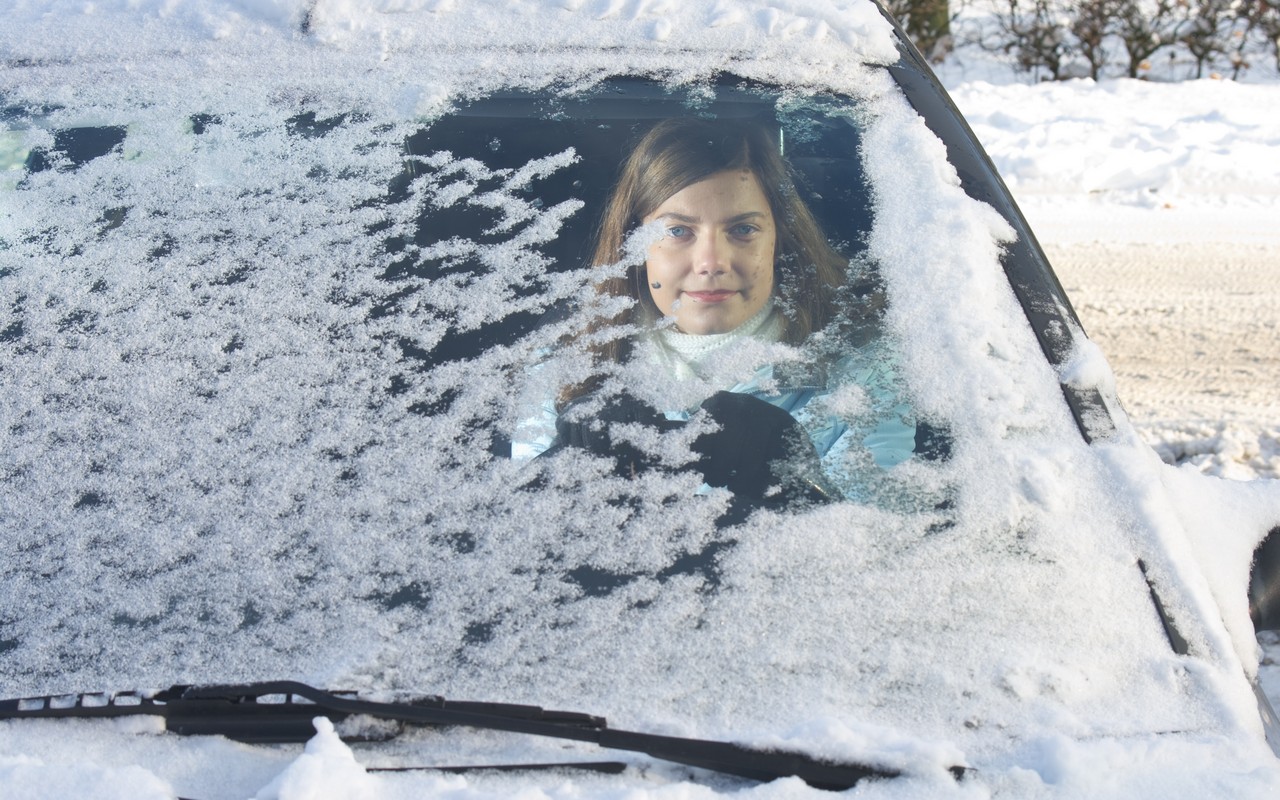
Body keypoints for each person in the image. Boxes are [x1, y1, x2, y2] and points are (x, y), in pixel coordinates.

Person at [513, 117, 915, 508]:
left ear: (781, 238)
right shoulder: (568, 360)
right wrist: (561, 475)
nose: (710, 263)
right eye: (677, 231)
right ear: (631, 243)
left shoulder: (863, 369)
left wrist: (799, 489)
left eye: (742, 230)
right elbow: (515, 545)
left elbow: (888, 552)